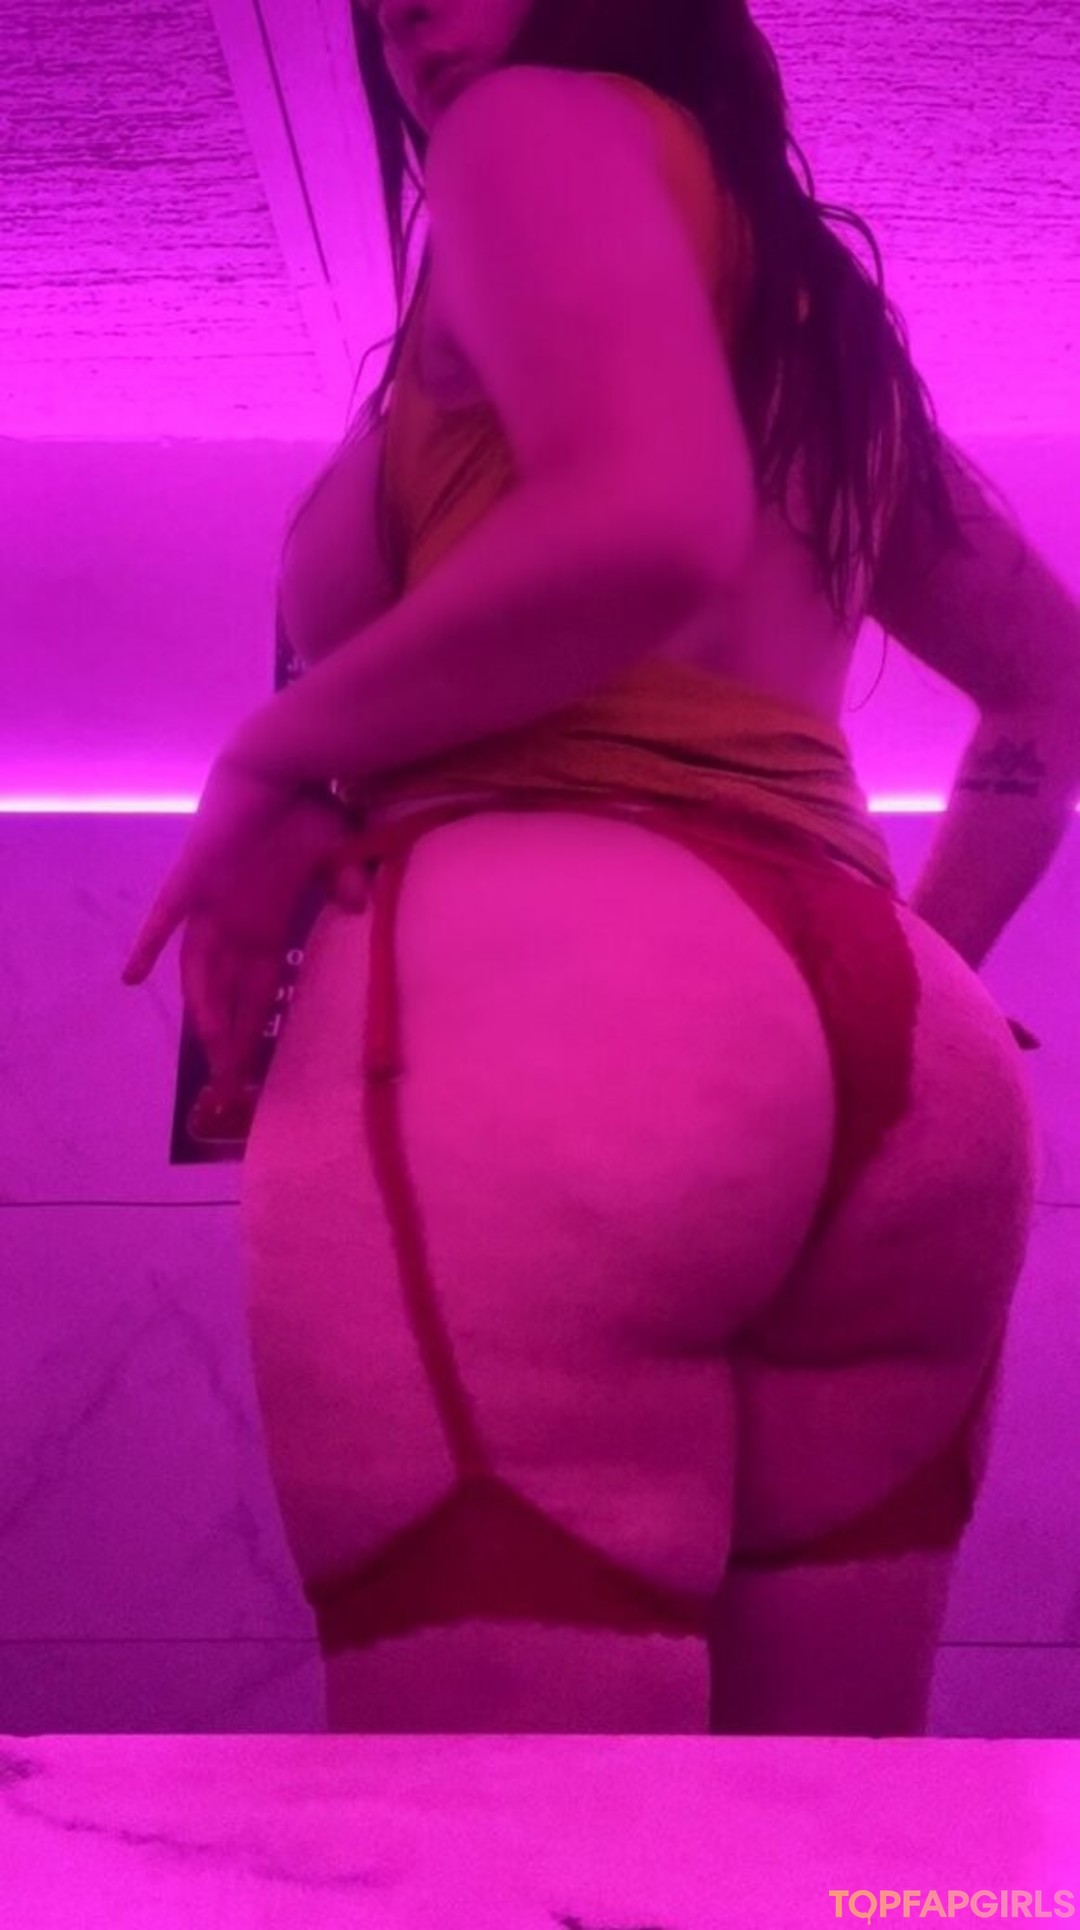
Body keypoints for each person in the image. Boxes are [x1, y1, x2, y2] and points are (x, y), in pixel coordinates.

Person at [122, 0, 1080, 1735]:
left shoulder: (529, 128)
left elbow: (645, 519)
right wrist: (928, 961)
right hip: (906, 1077)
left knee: (518, 1833)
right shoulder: (811, 333)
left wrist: (268, 752)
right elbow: (1051, 677)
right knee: (828, 1832)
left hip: (564, 1012)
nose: (403, 9)